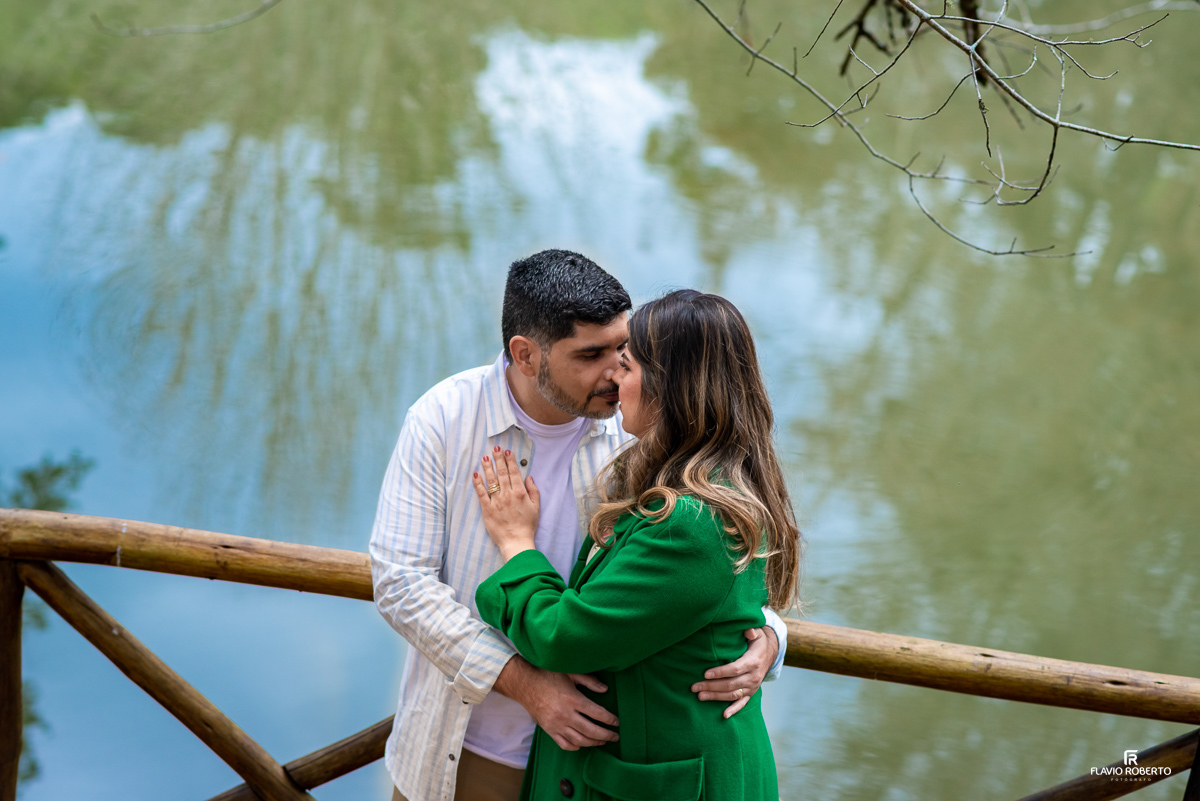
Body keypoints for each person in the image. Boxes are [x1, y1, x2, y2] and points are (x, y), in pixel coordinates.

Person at [370, 252, 789, 801]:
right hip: (463, 750)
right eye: (591, 355)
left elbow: (704, 565)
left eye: (623, 350)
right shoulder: (444, 419)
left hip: (593, 771)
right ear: (525, 354)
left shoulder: (648, 428)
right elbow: (402, 584)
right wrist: (526, 685)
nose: (615, 373)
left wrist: (769, 640)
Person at [471, 289, 802, 801]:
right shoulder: (702, 479)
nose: (614, 380)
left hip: (674, 782)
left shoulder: (690, 522)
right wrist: (773, 636)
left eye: (626, 366)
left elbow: (562, 637)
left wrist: (516, 544)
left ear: (671, 386)